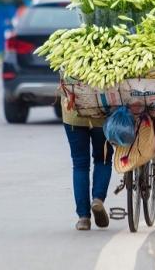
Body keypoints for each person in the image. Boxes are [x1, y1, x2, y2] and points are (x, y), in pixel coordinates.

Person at [62, 97, 114, 230]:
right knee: (103, 159)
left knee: (80, 164)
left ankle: (83, 218)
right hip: (101, 115)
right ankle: (98, 199)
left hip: (73, 115)